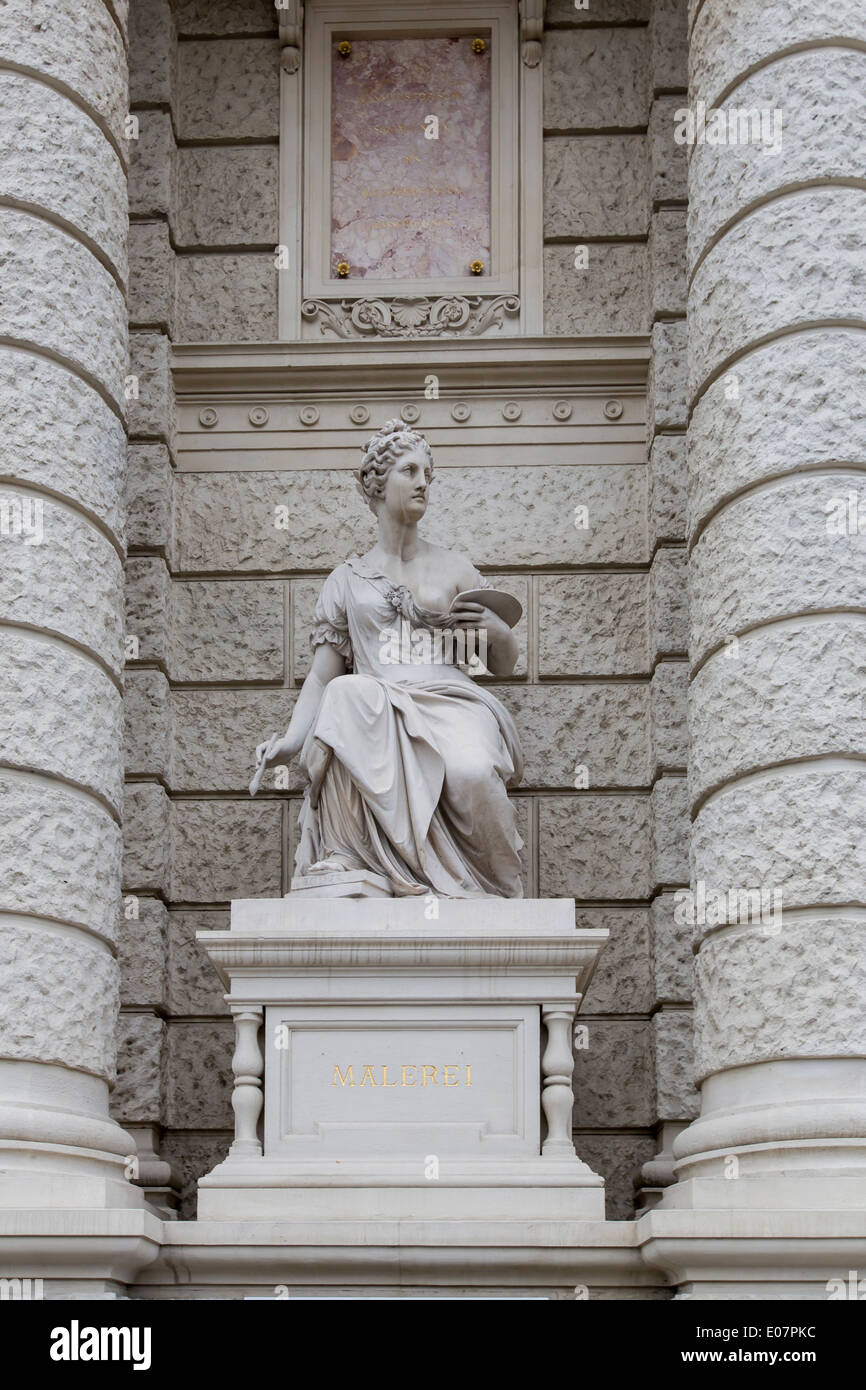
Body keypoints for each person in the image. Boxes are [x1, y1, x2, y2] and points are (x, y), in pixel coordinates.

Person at [252, 418, 524, 898]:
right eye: (409, 471)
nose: (423, 483)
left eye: (427, 474)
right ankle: (349, 857)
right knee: (345, 693)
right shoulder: (345, 579)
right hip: (378, 702)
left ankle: (491, 889)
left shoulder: (456, 568)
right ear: (376, 485)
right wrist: (291, 741)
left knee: (471, 772)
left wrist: (499, 632)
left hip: (452, 698)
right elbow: (321, 677)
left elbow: (499, 665)